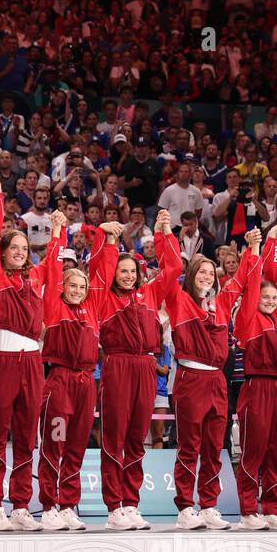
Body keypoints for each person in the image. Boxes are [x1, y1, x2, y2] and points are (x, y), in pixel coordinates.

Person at [0, 166, 67, 531]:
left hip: (32, 361)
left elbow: (55, 269)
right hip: (2, 361)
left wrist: (59, 232)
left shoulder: (34, 277)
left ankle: (20, 506)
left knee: (28, 437)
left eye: (24, 249)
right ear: (3, 252)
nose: (19, 252)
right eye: (13, 248)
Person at [161, 228, 258, 529]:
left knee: (215, 447)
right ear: (191, 276)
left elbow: (241, 279)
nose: (206, 277)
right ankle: (185, 507)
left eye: (210, 273)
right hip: (190, 378)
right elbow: (170, 270)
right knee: (189, 446)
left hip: (217, 380)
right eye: (201, 272)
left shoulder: (223, 303)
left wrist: (252, 249)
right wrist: (167, 234)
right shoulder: (179, 301)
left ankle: (209, 505)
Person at [90, 210, 181, 530]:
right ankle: (113, 505)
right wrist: (110, 240)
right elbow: (98, 270)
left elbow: (175, 268)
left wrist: (164, 232)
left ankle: (131, 503)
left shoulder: (151, 293)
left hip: (146, 368)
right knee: (113, 438)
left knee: (136, 439)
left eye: (132, 271)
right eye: (122, 271)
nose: (127, 275)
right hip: (117, 365)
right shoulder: (104, 297)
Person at [231, 229, 277, 529]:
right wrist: (260, 247)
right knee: (253, 451)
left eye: (274, 297)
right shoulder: (247, 318)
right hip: (257, 386)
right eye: (265, 296)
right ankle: (248, 510)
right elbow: (251, 284)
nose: (271, 301)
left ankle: (272, 508)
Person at [36, 247, 103, 530]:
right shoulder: (54, 306)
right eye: (72, 286)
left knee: (76, 446)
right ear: (62, 287)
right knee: (55, 444)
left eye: (82, 286)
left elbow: (104, 271)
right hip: (60, 383)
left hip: (86, 385)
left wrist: (108, 242)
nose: (77, 291)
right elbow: (52, 273)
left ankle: (68, 505)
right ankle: (49, 504)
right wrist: (56, 238)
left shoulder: (93, 309)